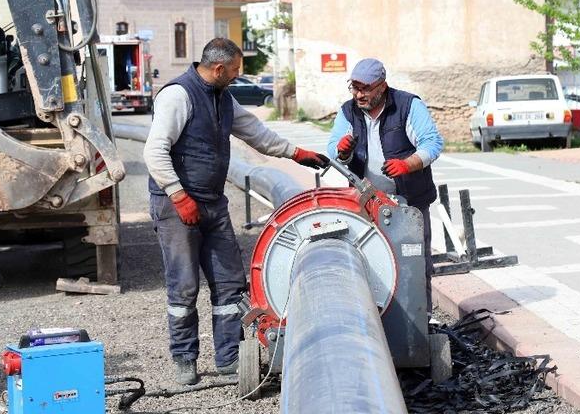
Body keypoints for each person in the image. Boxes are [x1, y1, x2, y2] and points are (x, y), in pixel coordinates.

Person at [144, 38, 329, 385]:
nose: (235, 77)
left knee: (230, 283)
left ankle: (228, 358)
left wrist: (295, 152)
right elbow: (154, 153)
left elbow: (256, 133)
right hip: (177, 205)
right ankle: (185, 360)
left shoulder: (222, 98)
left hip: (212, 202)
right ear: (218, 69)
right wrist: (178, 195)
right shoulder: (178, 96)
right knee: (184, 287)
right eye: (233, 72)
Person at [327, 58, 443, 313]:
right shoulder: (348, 112)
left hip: (408, 201)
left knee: (414, 260)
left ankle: (421, 319)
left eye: (365, 88)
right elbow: (333, 150)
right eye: (354, 88)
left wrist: (408, 164)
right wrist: (342, 151)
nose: (359, 94)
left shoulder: (408, 105)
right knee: (370, 259)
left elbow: (432, 143)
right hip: (367, 201)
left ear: (382, 86)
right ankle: (378, 318)